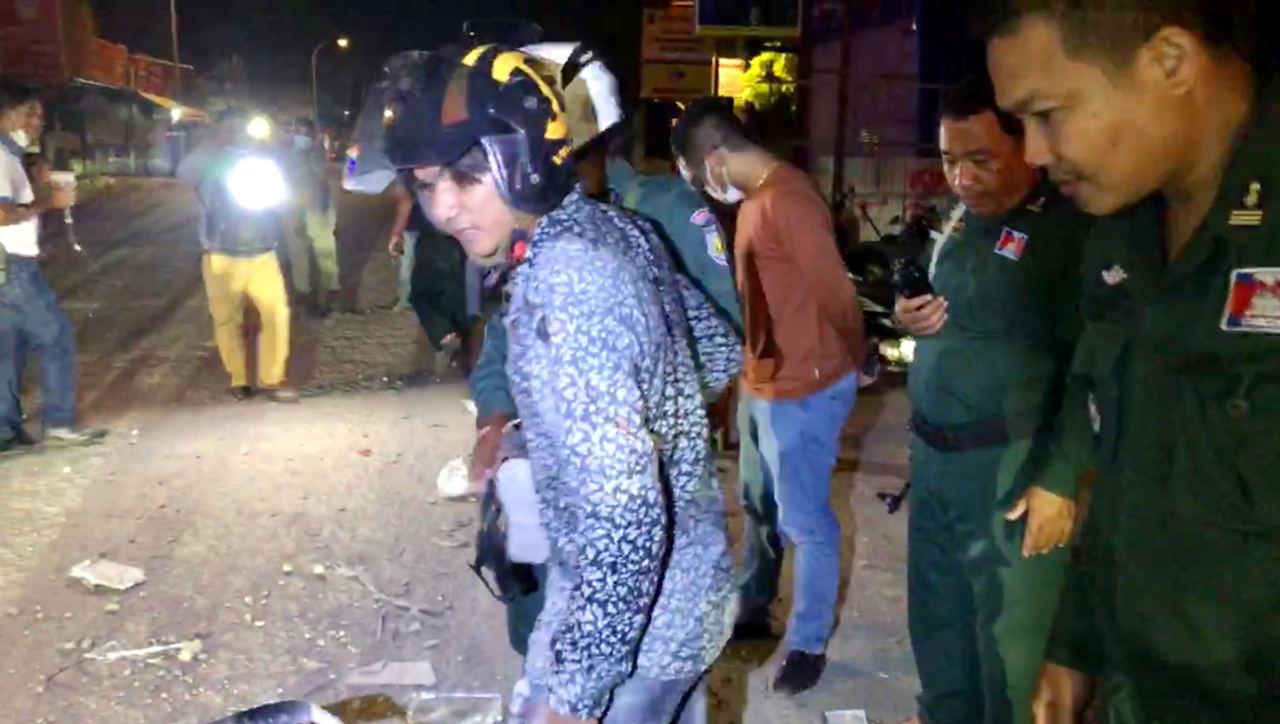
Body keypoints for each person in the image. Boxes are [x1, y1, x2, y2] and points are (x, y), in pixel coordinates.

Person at [361, 45, 741, 722]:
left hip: (634, 639)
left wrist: (570, 699)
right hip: (687, 596)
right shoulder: (611, 227)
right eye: (425, 184)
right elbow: (714, 351)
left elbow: (624, 524)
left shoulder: (563, 283)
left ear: (527, 159)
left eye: (466, 177)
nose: (443, 207)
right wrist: (614, 436)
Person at [986, 3, 1280, 722]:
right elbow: (1128, 472)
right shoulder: (1124, 232)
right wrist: (1076, 643)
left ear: (1170, 62)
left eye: (1048, 114)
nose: (1034, 153)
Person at [464, 47, 744, 660]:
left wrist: (629, 416)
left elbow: (723, 340)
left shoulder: (663, 214)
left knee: (636, 643)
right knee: (545, 634)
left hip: (643, 483)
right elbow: (501, 343)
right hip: (541, 480)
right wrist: (495, 421)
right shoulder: (527, 224)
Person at [894, 74, 1092, 724]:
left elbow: (1093, 369)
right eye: (950, 160)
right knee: (939, 636)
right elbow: (942, 309)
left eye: (981, 159)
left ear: (1027, 146)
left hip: (1008, 470)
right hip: (934, 465)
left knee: (1008, 659)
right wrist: (907, 316)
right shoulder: (958, 221)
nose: (963, 178)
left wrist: (1060, 478)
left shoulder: (1069, 231)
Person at [671, 97, 865, 695]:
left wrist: (859, 358)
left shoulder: (789, 201)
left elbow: (837, 295)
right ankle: (755, 609)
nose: (704, 191)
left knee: (807, 520)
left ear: (714, 159)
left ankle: (808, 644)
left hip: (804, 388)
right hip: (764, 381)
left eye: (698, 177)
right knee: (761, 506)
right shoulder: (758, 201)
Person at [0, 80, 105, 452]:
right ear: (6, 113)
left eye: (40, 116)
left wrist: (39, 186)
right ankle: (59, 423)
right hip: (12, 267)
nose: (37, 123)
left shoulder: (11, 157)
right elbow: (2, 214)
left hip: (9, 266)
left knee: (8, 347)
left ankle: (5, 429)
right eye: (29, 113)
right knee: (55, 335)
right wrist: (51, 203)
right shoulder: (1, 156)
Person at [177, 110, 299, 403]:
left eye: (241, 127)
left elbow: (283, 195)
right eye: (229, 128)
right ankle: (239, 379)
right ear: (218, 130)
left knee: (277, 314)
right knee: (227, 321)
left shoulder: (265, 159)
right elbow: (184, 172)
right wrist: (213, 145)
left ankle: (272, 379)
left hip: (263, 252)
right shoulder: (207, 159)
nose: (236, 133)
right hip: (221, 256)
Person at [280, 117, 338, 315]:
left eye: (304, 132)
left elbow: (322, 178)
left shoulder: (316, 153)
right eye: (297, 131)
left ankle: (328, 292)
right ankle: (303, 291)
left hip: (316, 207)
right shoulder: (284, 154)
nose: (300, 136)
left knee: (323, 251)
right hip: (291, 207)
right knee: (297, 251)